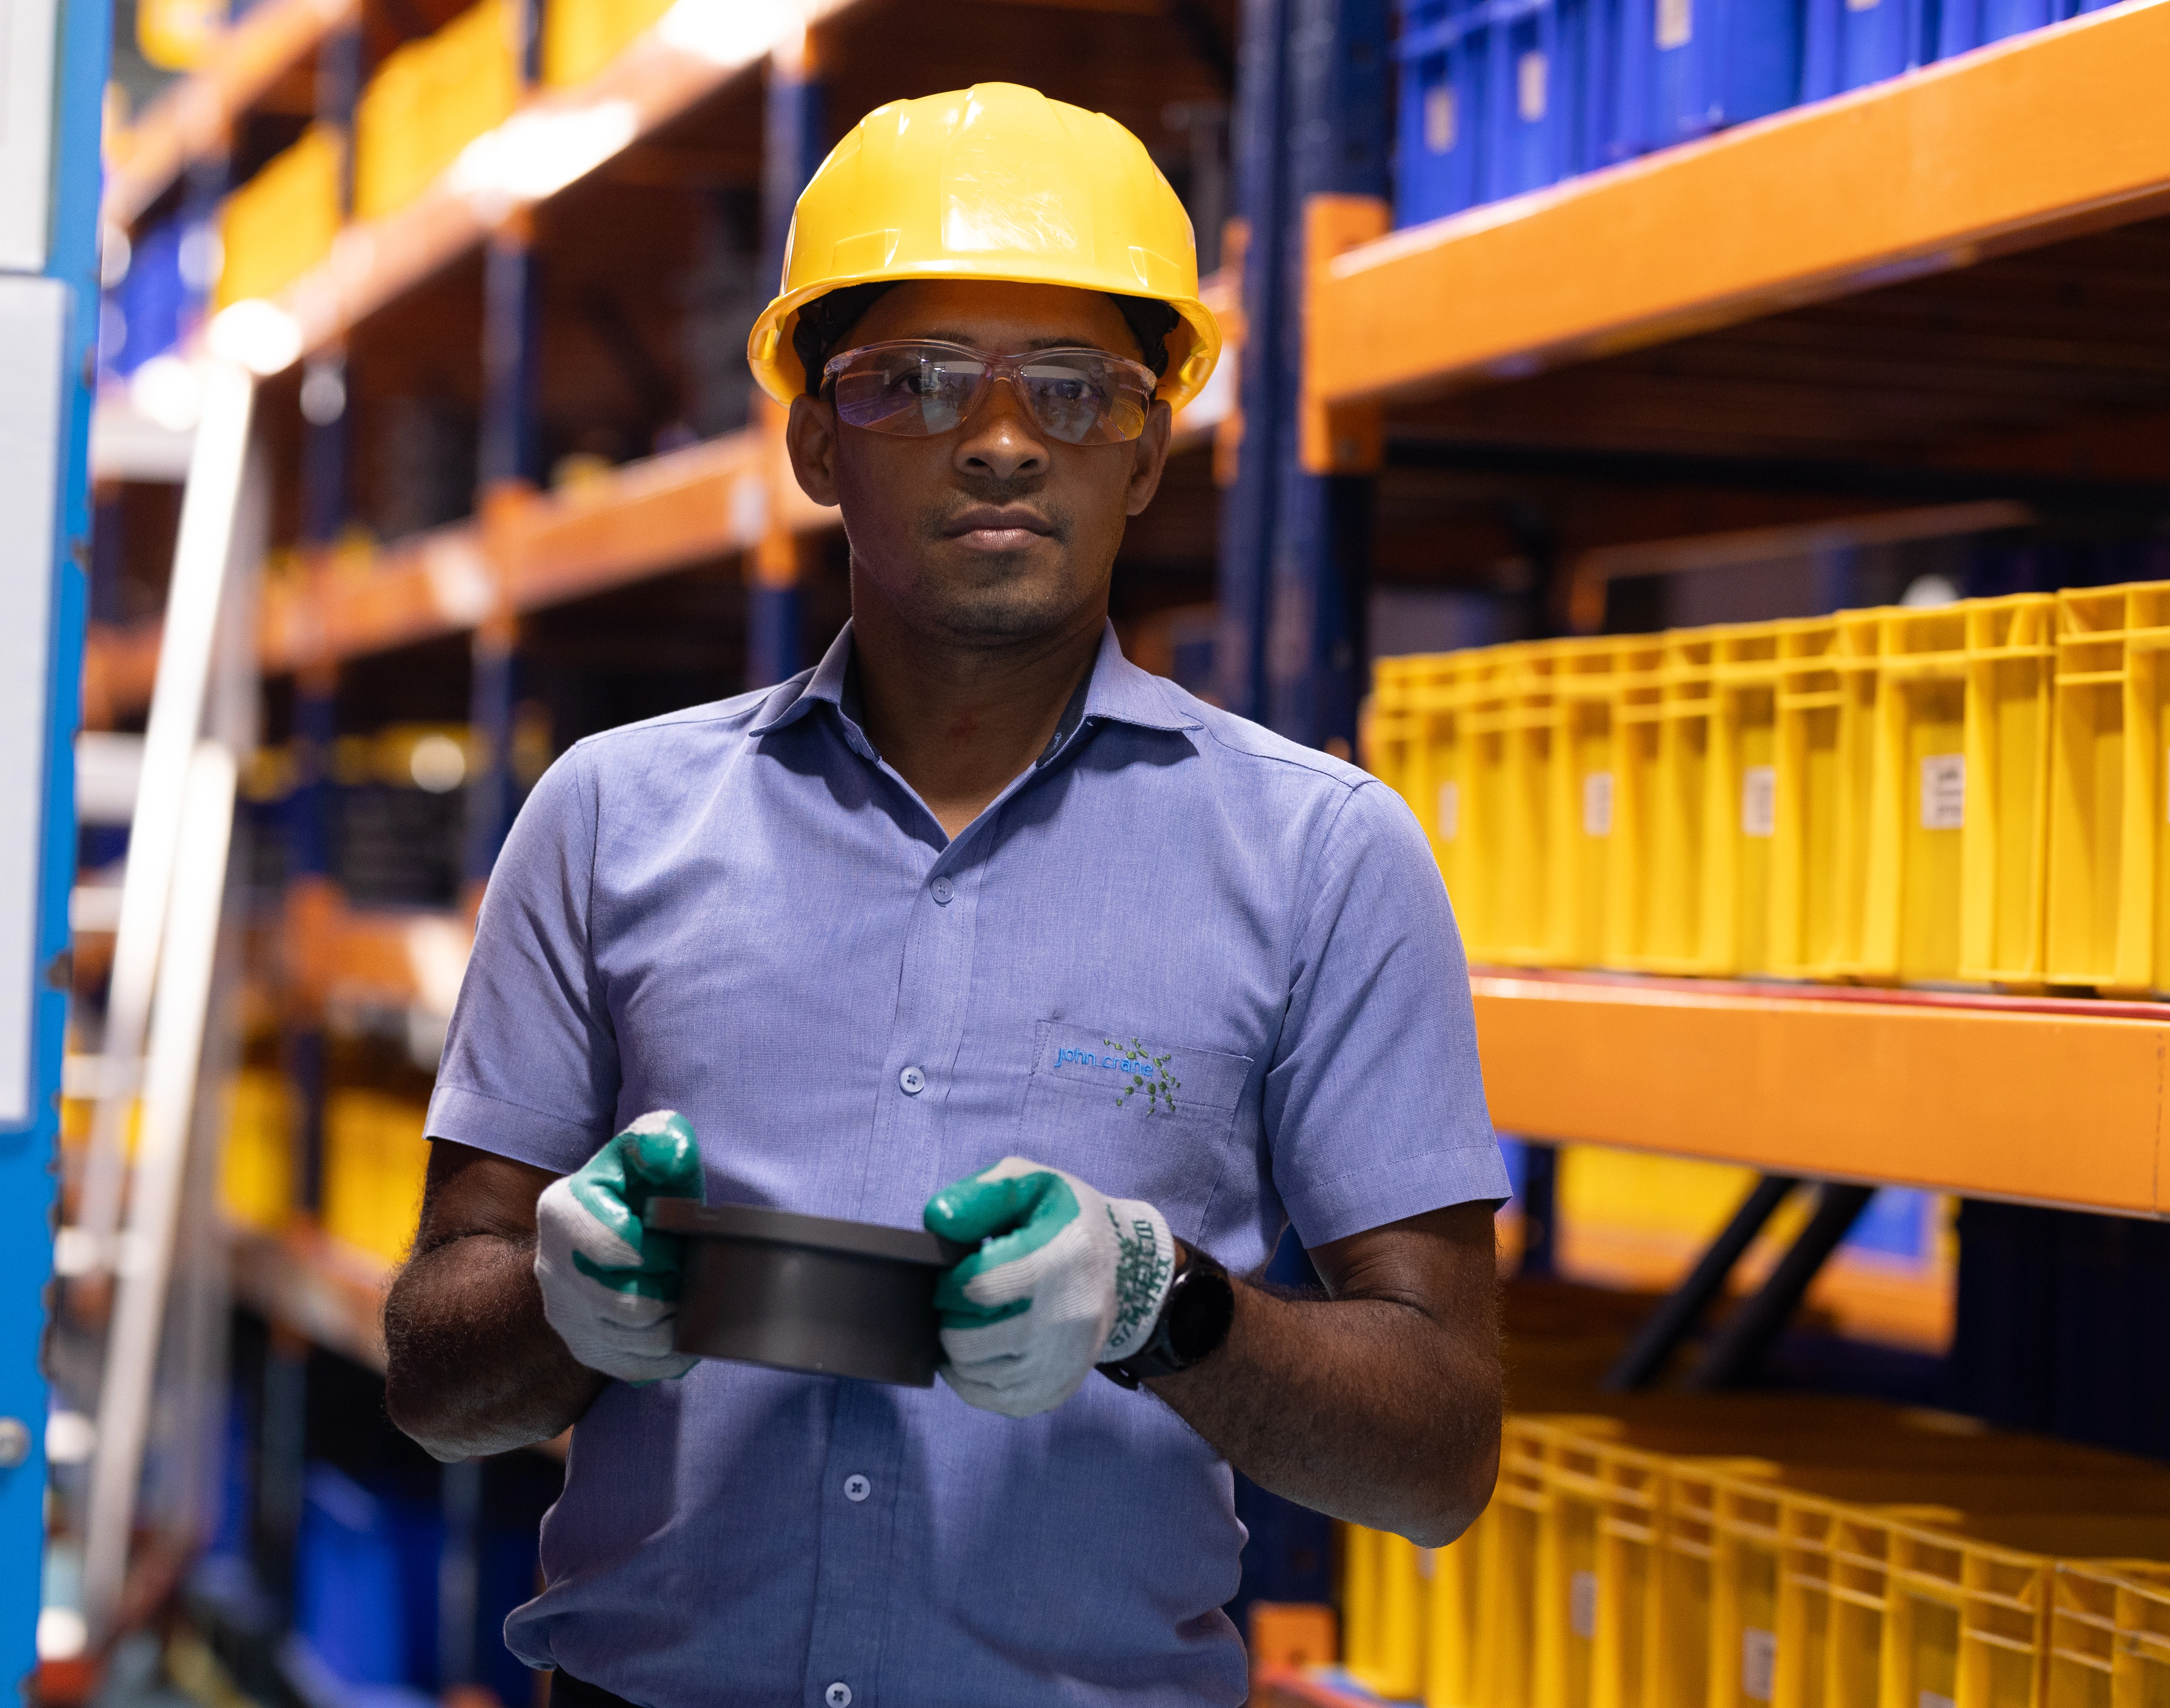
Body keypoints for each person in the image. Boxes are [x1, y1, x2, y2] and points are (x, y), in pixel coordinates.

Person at [381, 82, 1510, 1708]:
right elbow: (437, 1374)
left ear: (1150, 451)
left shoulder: (1322, 856)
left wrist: (1164, 1307)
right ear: (814, 439)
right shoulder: (609, 820)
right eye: (913, 385)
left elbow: (1439, 1455)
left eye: (1074, 389)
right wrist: (565, 1306)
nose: (999, 438)